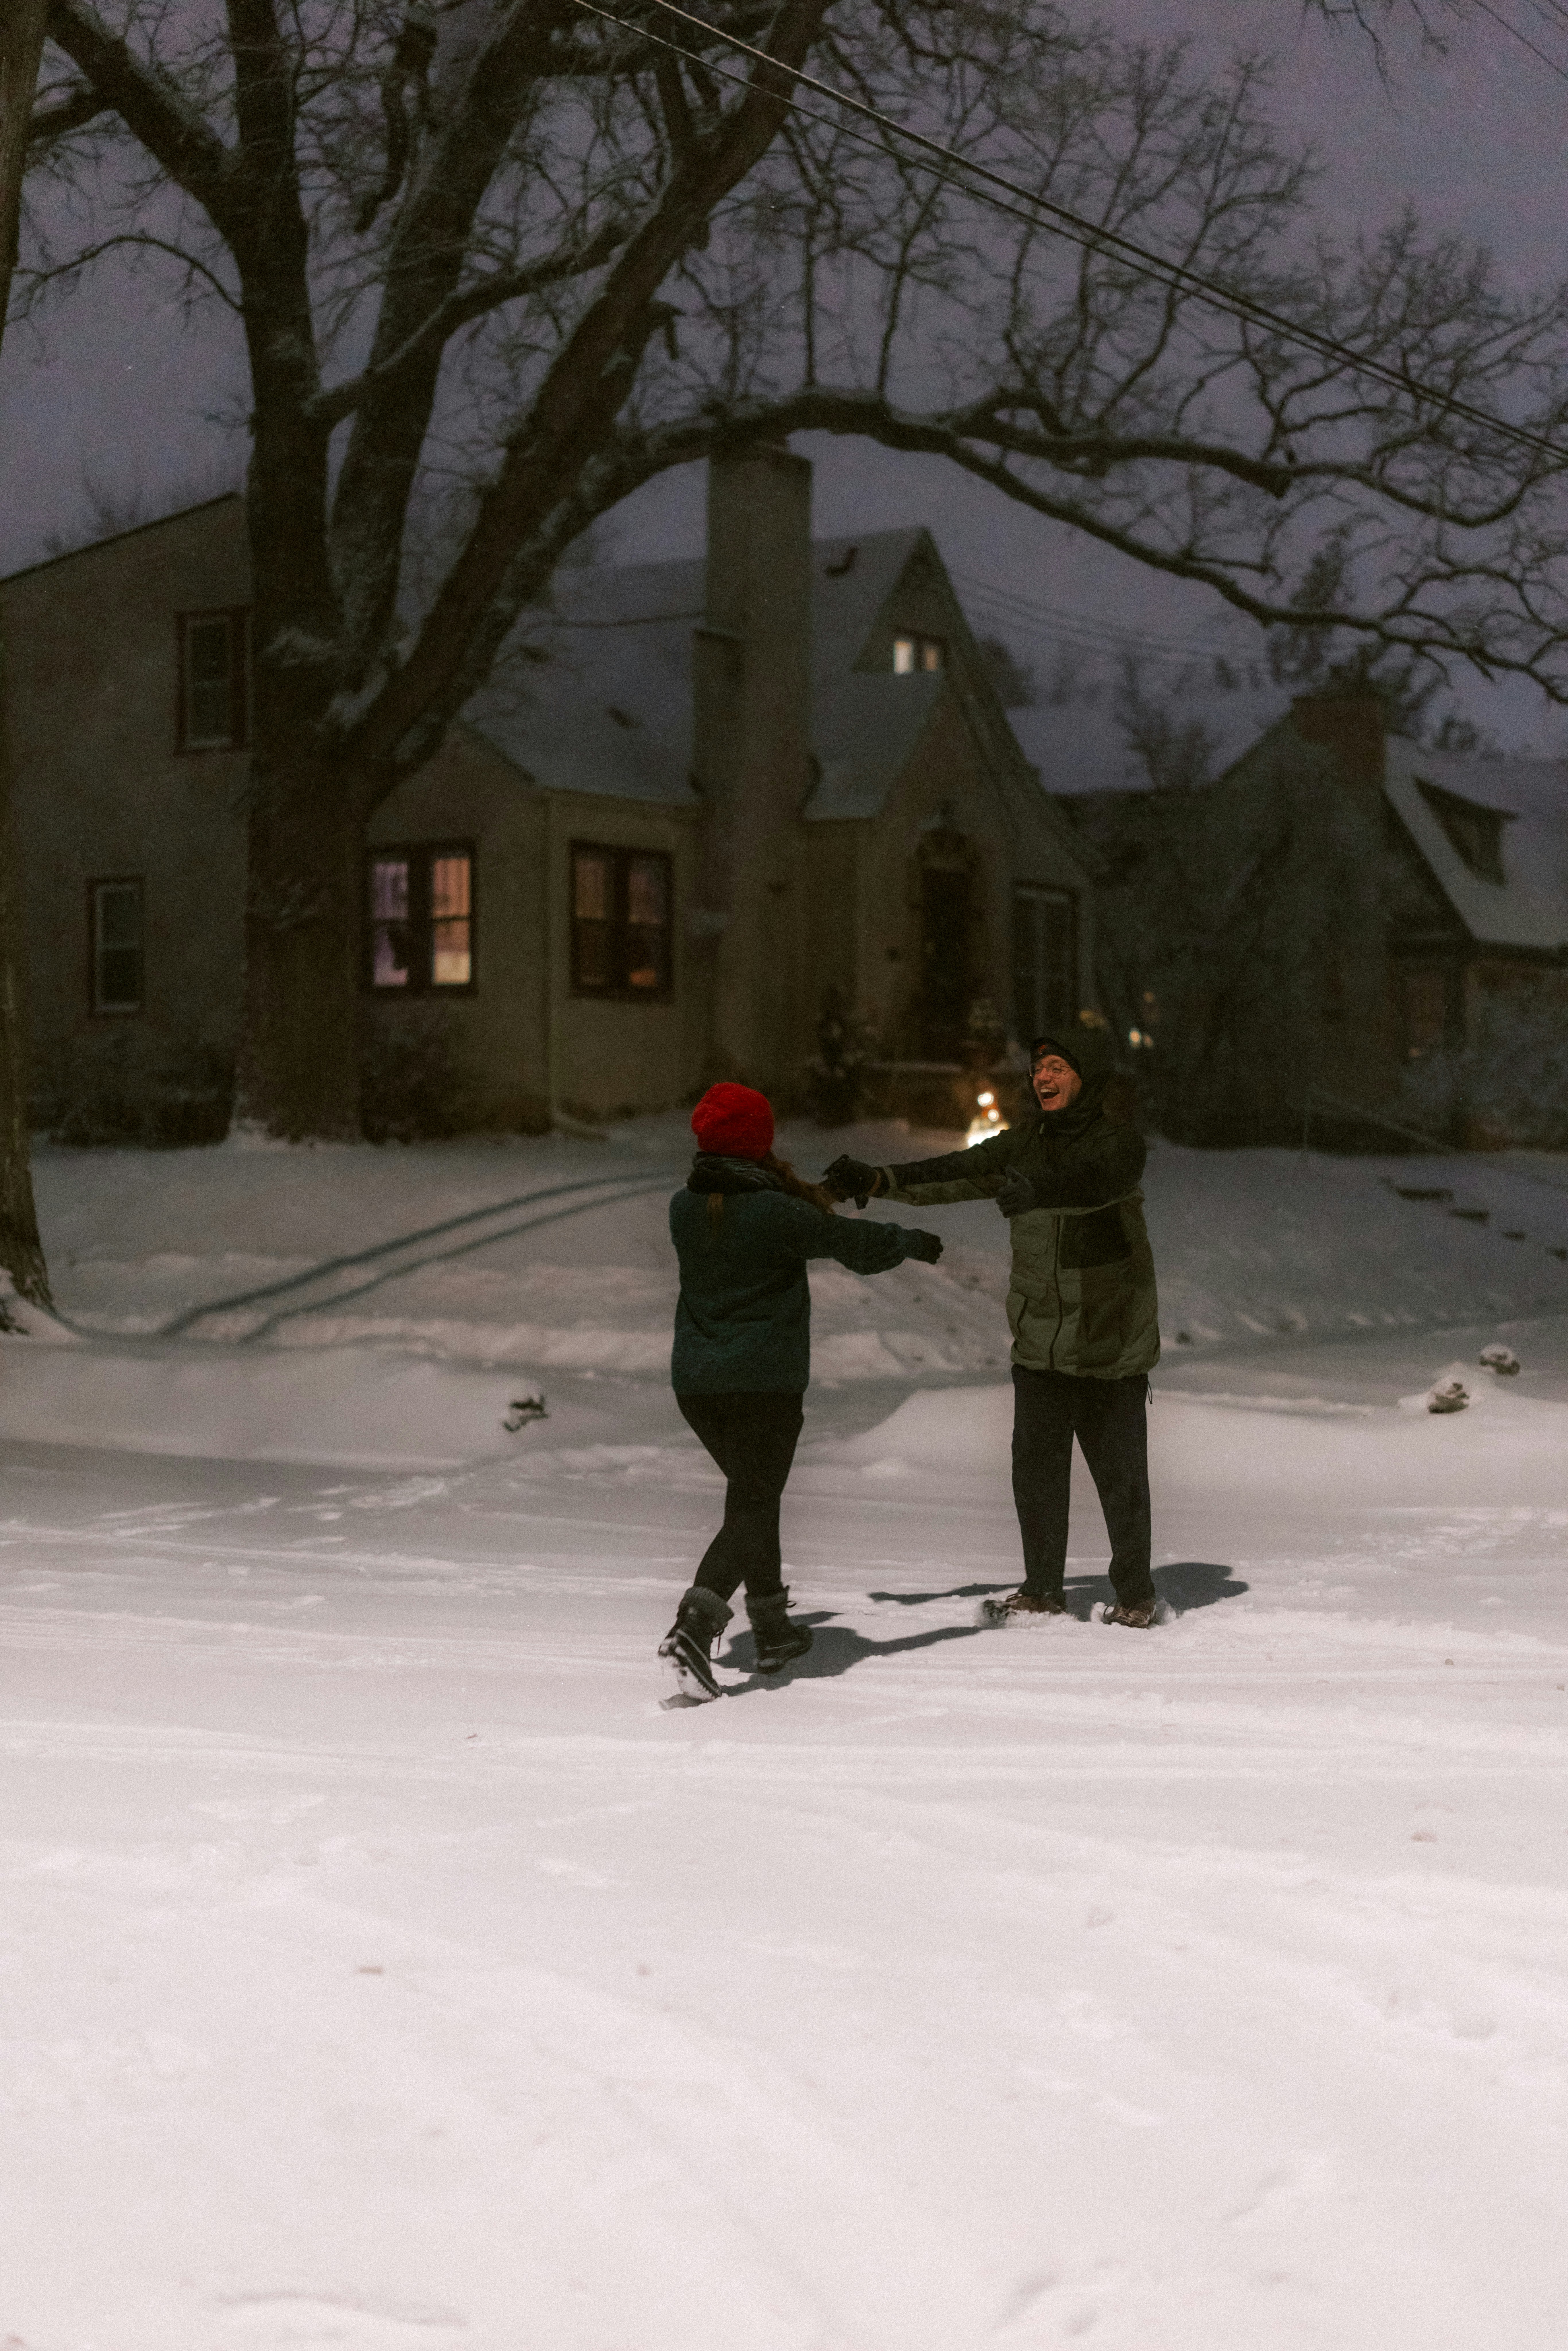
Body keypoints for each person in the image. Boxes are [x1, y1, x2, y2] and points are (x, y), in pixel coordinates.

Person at [823, 1025, 1161, 1628]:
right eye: (1037, 1068)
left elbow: (1094, 1184)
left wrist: (1039, 1189)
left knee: (1119, 1479)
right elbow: (957, 1171)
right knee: (1034, 1474)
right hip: (1039, 1343)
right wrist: (880, 1181)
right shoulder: (1023, 1144)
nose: (1043, 1078)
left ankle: (1135, 1595)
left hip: (1106, 1345)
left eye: (1057, 1066)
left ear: (1086, 1076)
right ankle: (1041, 1591)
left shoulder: (1118, 1145)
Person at [661, 1082, 945, 1702]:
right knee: (754, 1503)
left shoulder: (686, 1205)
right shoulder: (773, 1214)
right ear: (757, 1141)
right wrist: (910, 1241)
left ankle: (772, 1628)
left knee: (753, 1497)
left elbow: (783, 1209)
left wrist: (825, 1193)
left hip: (698, 1387)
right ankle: (696, 1623)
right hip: (762, 1384)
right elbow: (854, 1247)